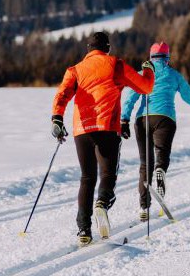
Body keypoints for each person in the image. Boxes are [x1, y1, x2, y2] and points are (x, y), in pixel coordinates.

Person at [51, 31, 155, 246]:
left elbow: (62, 94)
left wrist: (57, 119)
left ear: (88, 49)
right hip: (107, 126)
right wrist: (148, 71)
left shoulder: (76, 69)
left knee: (87, 177)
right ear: (107, 48)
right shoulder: (115, 64)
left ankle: (83, 230)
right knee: (108, 173)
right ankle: (102, 203)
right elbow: (146, 87)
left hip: (82, 129)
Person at [121, 41, 190, 221]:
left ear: (151, 58)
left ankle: (144, 207)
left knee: (145, 164)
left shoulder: (143, 74)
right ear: (167, 58)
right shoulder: (174, 75)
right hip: (165, 119)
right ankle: (161, 170)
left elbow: (130, 98)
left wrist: (124, 119)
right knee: (162, 156)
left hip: (143, 119)